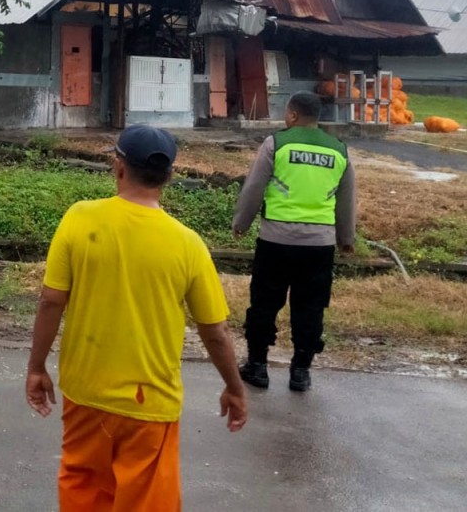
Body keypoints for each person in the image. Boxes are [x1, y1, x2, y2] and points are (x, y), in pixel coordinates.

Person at [26, 125, 247, 511]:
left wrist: (36, 367)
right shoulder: (187, 244)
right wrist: (235, 387)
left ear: (118, 166)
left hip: (86, 393)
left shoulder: (79, 219)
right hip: (150, 404)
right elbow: (215, 332)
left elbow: (50, 302)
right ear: (169, 177)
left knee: (83, 493)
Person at [233, 91, 356, 393]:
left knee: (264, 302)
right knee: (311, 307)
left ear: (292, 116)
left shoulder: (276, 143)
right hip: (319, 245)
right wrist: (346, 238)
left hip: (276, 240)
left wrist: (241, 223)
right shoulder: (339, 150)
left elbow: (254, 188)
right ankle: (300, 372)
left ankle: (257, 366)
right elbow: (346, 199)